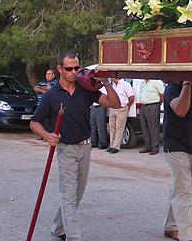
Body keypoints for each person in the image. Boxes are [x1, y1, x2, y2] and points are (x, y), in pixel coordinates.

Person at [30, 51, 119, 241]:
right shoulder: (51, 95)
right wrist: (47, 135)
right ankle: (74, 237)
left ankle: (58, 228)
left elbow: (115, 103)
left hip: (85, 147)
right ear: (59, 69)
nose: (73, 72)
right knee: (69, 195)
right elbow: (34, 122)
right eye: (69, 68)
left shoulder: (85, 90)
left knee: (77, 195)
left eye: (76, 68)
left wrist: (107, 83)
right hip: (65, 149)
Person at [162, 79, 192, 241]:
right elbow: (181, 110)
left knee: (181, 188)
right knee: (183, 190)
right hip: (176, 146)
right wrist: (187, 83)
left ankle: (171, 226)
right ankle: (187, 235)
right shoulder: (172, 88)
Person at [107, 77, 134, 154]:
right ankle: (111, 145)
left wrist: (128, 106)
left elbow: (131, 97)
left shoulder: (126, 84)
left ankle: (116, 147)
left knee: (119, 128)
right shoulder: (113, 85)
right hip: (113, 108)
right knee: (112, 127)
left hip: (122, 108)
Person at [139, 78, 165, 155]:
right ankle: (148, 146)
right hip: (143, 106)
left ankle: (155, 147)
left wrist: (157, 105)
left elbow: (162, 95)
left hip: (153, 105)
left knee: (153, 127)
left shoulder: (156, 81)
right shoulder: (142, 82)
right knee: (144, 127)